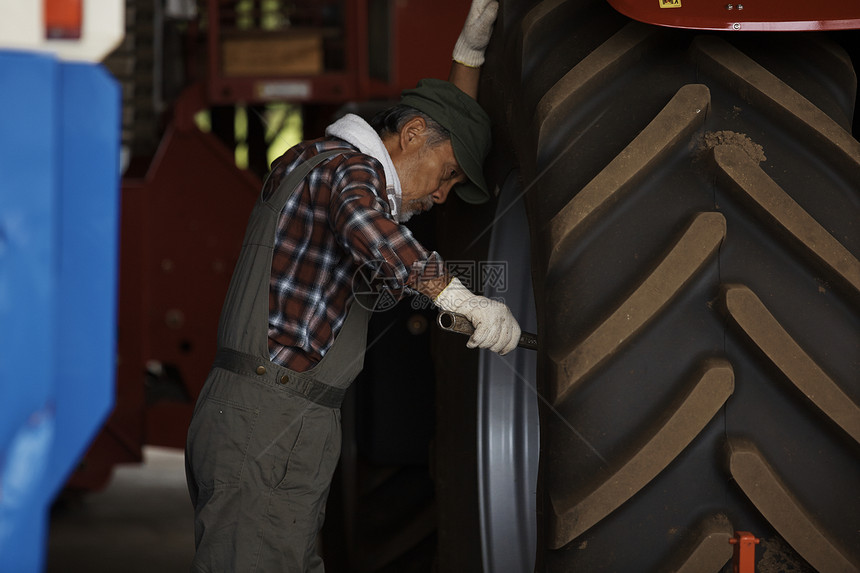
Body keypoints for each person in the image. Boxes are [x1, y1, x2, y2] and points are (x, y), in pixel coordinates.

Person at [184, 1, 519, 571]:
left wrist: (468, 57)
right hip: (272, 418)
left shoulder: (315, 160)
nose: (442, 197)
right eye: (447, 178)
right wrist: (458, 297)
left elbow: (395, 203)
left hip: (266, 416)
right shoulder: (348, 171)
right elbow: (367, 223)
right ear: (411, 134)